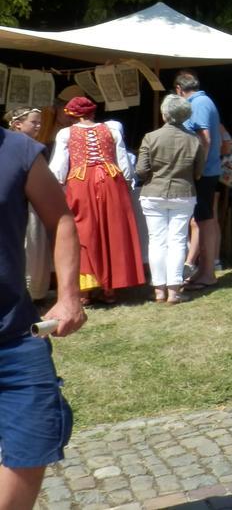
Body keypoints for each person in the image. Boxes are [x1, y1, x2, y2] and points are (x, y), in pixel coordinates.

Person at [0, 120, 86, 510]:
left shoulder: (18, 151)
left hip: (15, 341)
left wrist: (69, 296)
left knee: (32, 448)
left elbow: (62, 218)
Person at [47, 96, 144, 303]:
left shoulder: (65, 133)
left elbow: (58, 167)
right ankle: (110, 289)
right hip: (111, 180)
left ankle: (85, 291)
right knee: (112, 231)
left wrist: (58, 188)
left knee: (84, 232)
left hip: (81, 183)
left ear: (72, 115)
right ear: (92, 112)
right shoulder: (112, 130)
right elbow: (124, 164)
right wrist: (126, 185)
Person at [137, 95, 205, 305]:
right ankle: (174, 291)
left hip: (153, 192)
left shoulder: (150, 137)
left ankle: (159, 290)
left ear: (164, 113)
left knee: (157, 240)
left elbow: (141, 170)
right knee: (177, 240)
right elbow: (199, 173)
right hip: (183, 193)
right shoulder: (194, 140)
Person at [175, 71, 221, 290]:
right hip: (207, 170)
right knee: (202, 220)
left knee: (203, 221)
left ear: (178, 89)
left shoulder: (199, 103)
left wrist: (198, 169)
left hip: (204, 172)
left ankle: (207, 273)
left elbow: (205, 138)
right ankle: (204, 271)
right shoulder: (204, 100)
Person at [6, 109, 51, 302]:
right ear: (18, 124)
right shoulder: (8, 147)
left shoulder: (37, 147)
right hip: (17, 207)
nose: (39, 126)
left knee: (35, 247)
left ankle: (35, 292)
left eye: (40, 122)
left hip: (35, 206)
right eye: (34, 123)